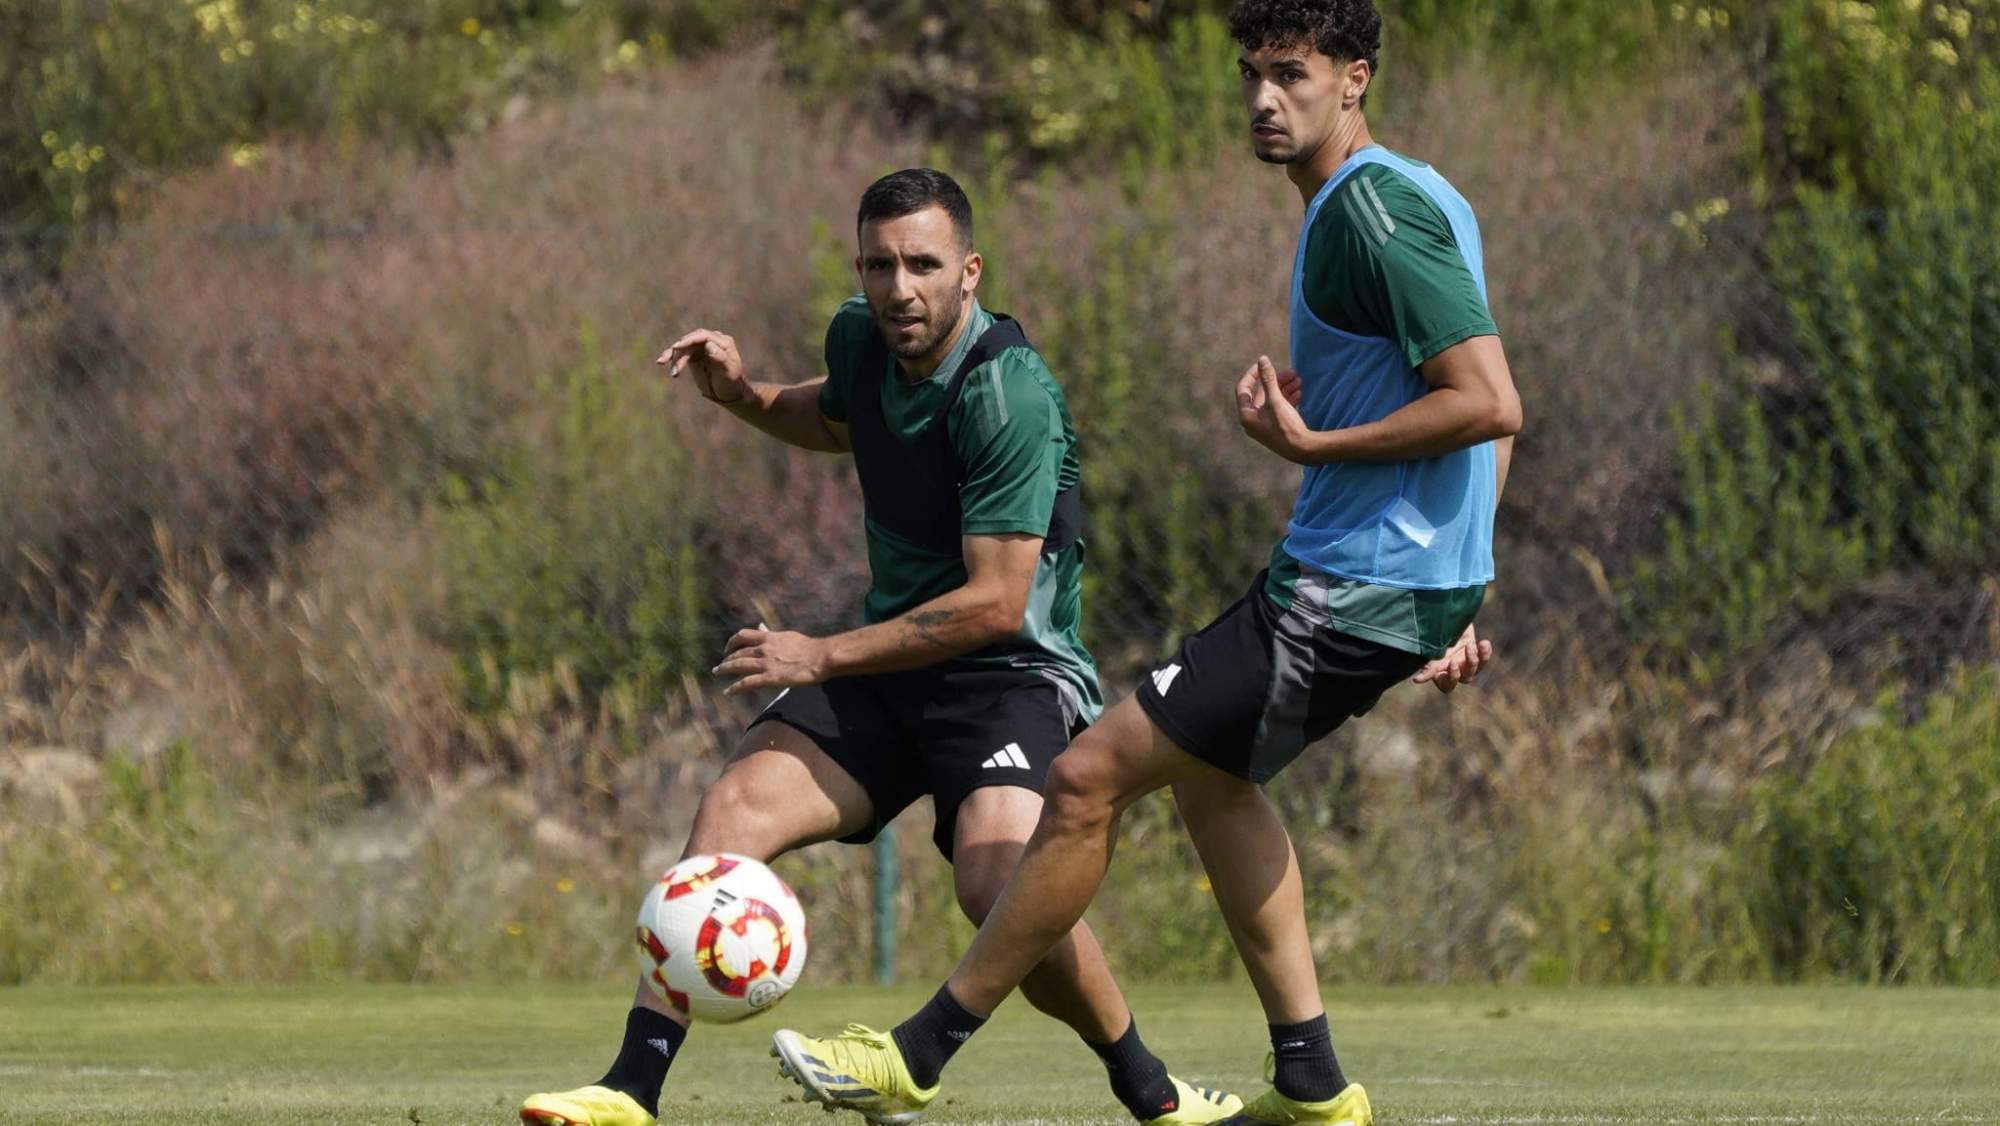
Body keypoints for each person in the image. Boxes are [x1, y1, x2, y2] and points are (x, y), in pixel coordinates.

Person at [769, 5, 1522, 1124]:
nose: (1264, 100)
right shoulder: (1407, 193)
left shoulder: (1371, 210)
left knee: (1084, 780)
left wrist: (1317, 451)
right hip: (1375, 578)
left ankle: (917, 1053)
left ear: (1353, 79)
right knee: (1214, 780)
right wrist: (1461, 580)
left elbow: (1489, 401)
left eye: (1293, 76)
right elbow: (1478, 408)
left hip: (1351, 583)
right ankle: (1312, 1083)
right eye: (1251, 75)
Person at [520, 168, 1242, 1126]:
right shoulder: (861, 338)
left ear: (970, 271)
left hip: (1007, 677)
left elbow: (993, 605)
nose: (899, 287)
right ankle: (629, 1089)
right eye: (878, 264)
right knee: (732, 808)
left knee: (999, 882)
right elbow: (830, 415)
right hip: (889, 671)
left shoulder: (1008, 394)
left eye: (923, 265)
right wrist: (740, 394)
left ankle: (1148, 1089)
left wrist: (818, 655)